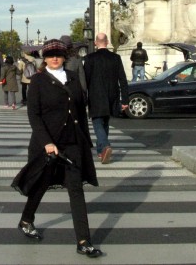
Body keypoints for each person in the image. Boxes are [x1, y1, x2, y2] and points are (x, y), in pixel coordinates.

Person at [12, 38, 102, 258]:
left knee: (76, 189)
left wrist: (86, 140)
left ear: (64, 57)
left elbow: (80, 112)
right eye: (50, 55)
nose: (54, 58)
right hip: (47, 144)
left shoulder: (72, 78)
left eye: (58, 55)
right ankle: (26, 219)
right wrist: (47, 142)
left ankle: (83, 241)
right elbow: (34, 115)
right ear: (45, 58)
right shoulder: (38, 81)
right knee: (40, 185)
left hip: (71, 142)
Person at [83, 33, 129, 164]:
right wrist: (125, 100)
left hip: (95, 95)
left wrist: (84, 98)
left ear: (96, 43)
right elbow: (123, 79)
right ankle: (100, 151)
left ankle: (105, 146)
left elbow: (85, 80)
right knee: (105, 122)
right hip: (111, 95)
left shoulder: (90, 58)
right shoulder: (116, 57)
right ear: (107, 42)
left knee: (97, 122)